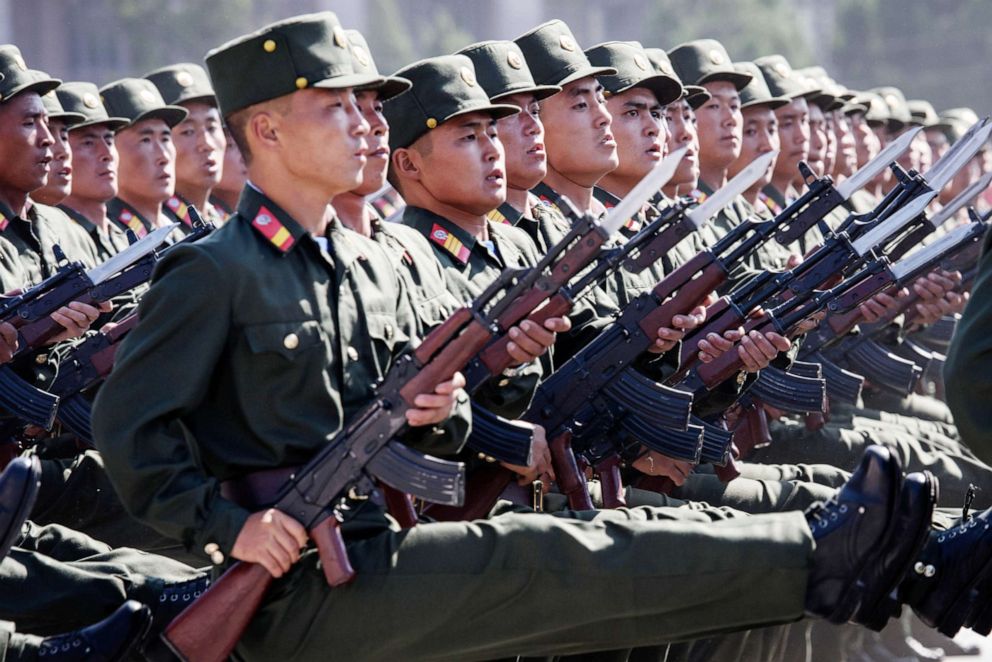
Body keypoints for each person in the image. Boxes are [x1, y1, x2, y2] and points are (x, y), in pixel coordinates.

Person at [92, 13, 950, 661]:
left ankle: (846, 551)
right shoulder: (215, 271)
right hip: (294, 586)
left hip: (379, 543)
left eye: (367, 105)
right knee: (550, 557)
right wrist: (226, 530)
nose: (365, 123)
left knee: (596, 555)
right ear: (266, 129)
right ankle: (821, 549)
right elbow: (128, 434)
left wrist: (441, 410)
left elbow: (439, 435)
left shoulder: (367, 265)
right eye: (336, 108)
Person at [98, 77, 187, 238]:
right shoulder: (115, 237)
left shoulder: (178, 231)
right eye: (145, 140)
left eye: (165, 138)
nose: (163, 156)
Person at [146, 63, 227, 229]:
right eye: (188, 132)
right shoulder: (161, 231)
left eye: (212, 128)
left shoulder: (221, 220)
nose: (207, 144)